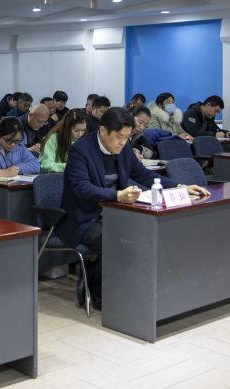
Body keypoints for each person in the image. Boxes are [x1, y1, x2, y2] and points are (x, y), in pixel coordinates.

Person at [56, 108, 209, 307]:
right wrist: (116, 195)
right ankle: (99, 293)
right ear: (103, 131)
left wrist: (179, 186)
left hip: (114, 213)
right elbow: (81, 187)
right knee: (117, 240)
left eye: (127, 137)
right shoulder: (81, 150)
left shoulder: (123, 147)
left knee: (142, 235)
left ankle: (131, 291)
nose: (123, 142)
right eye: (119, 137)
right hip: (84, 218)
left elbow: (142, 174)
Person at [39, 109, 88, 173]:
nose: (80, 134)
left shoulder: (85, 141)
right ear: (67, 127)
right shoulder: (54, 138)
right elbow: (46, 165)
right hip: (53, 177)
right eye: (76, 131)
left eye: (83, 130)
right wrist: (70, 166)